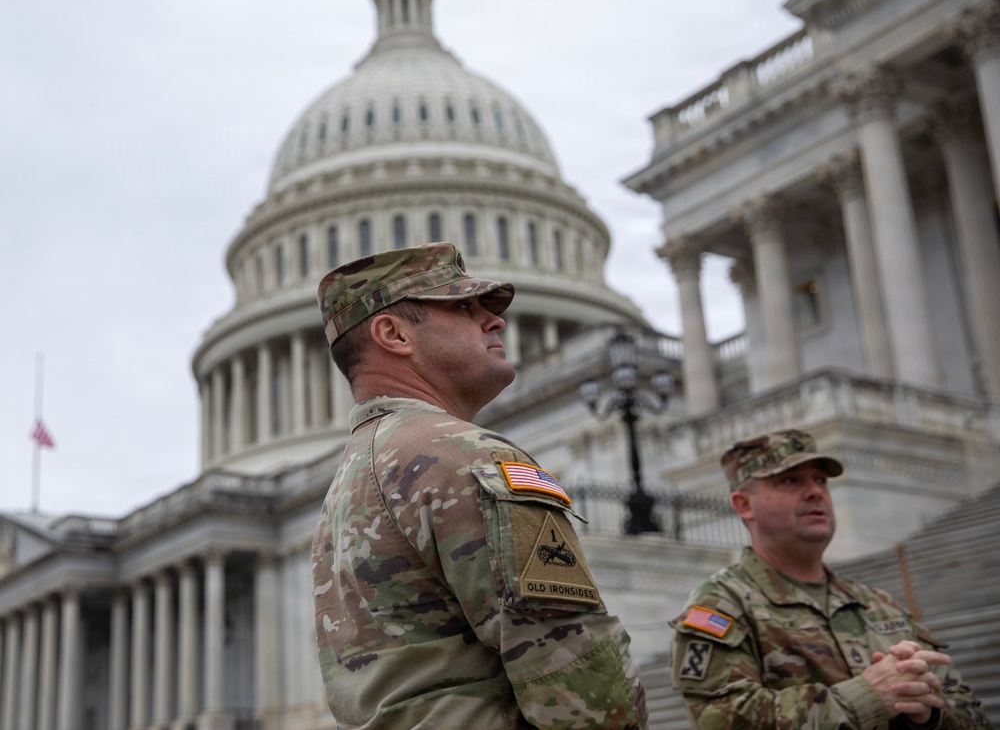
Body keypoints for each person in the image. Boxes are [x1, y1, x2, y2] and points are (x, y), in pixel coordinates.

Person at [311, 242, 647, 730]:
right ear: (394, 334)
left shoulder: (353, 475)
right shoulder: (466, 457)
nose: (495, 321)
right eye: (464, 307)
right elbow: (577, 677)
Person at [670, 428, 991, 729]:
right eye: (791, 481)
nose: (815, 492)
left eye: (821, 480)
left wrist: (928, 712)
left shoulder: (877, 605)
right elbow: (721, 718)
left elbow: (972, 712)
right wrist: (866, 697)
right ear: (744, 504)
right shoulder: (721, 604)